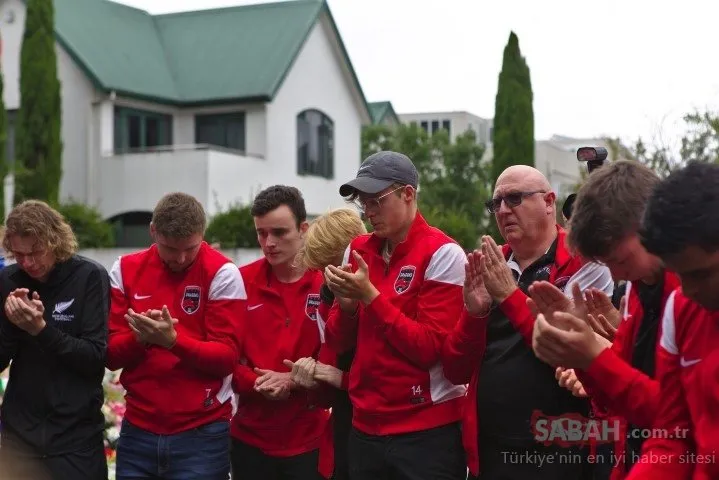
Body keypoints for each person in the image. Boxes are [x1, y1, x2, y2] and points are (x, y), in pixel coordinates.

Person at [441, 165, 613, 479]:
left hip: (561, 451)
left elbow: (574, 354)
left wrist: (508, 295)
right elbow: (455, 370)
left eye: (515, 198)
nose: (503, 210)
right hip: (492, 449)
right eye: (496, 203)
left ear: (549, 202)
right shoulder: (489, 266)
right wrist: (475, 314)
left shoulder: (584, 263)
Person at [529, 160, 680, 480]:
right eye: (603, 263)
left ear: (653, 227)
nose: (614, 275)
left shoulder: (693, 294)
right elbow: (614, 404)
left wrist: (592, 357)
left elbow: (676, 420)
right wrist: (580, 353)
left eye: (619, 259)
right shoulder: (639, 291)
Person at [324, 151, 468, 480]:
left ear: (408, 194)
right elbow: (338, 343)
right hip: (366, 426)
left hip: (426, 431)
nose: (368, 211)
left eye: (377, 200)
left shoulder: (443, 252)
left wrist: (369, 297)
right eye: (363, 202)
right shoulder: (358, 248)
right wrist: (346, 309)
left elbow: (429, 348)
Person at [107, 192, 243, 480]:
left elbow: (226, 359)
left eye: (190, 248)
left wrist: (172, 341)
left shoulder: (223, 272)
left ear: (202, 235)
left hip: (202, 432)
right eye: (170, 248)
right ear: (153, 232)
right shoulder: (124, 269)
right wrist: (142, 339)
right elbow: (108, 354)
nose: (180, 258)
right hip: (138, 429)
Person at [0, 200, 109, 480]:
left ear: (55, 240)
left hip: (76, 440)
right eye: (19, 254)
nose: (28, 262)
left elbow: (94, 359)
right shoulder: (8, 280)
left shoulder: (89, 277)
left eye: (35, 251)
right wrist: (14, 327)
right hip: (19, 439)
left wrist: (41, 329)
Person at [623, 161, 719, 480]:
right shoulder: (680, 309)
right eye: (678, 273)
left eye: (701, 274)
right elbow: (672, 437)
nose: (687, 290)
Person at [230, 185, 329, 480]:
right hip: (249, 441)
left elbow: (342, 357)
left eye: (279, 232)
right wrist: (257, 382)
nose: (268, 242)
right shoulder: (240, 281)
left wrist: (293, 381)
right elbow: (224, 355)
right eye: (261, 233)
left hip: (310, 440)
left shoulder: (327, 281)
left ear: (303, 229)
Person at [289, 207, 367, 480]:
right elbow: (331, 362)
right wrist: (311, 378)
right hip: (346, 430)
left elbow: (401, 374)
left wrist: (340, 378)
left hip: (391, 436)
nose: (328, 278)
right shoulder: (327, 296)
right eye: (324, 270)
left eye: (333, 267)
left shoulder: (382, 293)